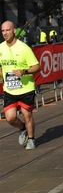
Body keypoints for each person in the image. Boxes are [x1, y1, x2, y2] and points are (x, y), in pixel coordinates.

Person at [0, 21, 41, 150]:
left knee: (26, 114)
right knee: (10, 118)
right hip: (10, 89)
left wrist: (24, 71)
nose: (5, 33)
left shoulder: (24, 48)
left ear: (14, 31)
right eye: (3, 31)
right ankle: (22, 128)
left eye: (8, 30)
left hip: (26, 88)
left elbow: (37, 66)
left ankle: (32, 139)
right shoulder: (0, 47)